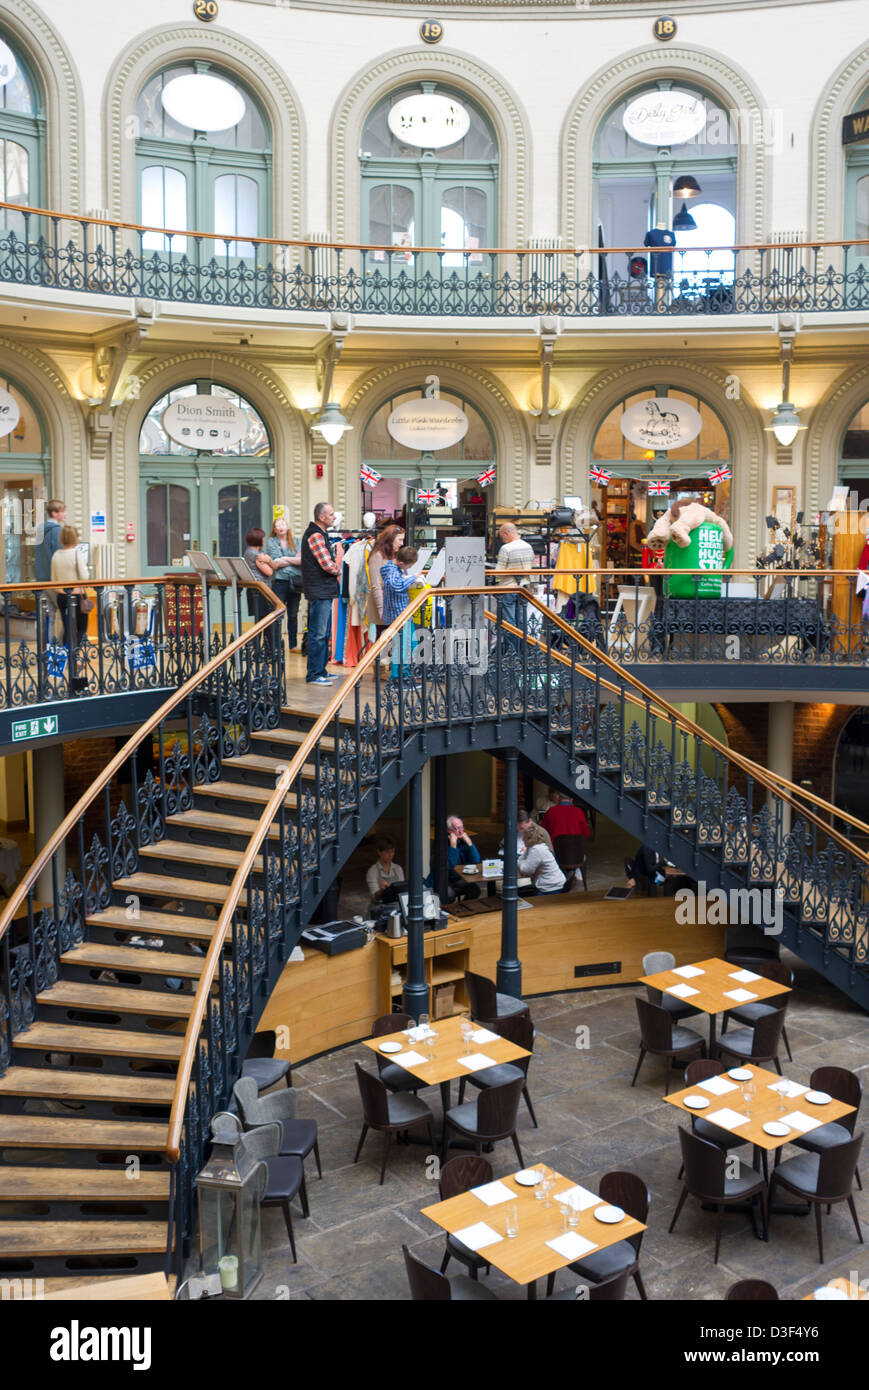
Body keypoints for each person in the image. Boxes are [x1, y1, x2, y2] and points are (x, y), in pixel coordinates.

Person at [300, 501, 343, 685]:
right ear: (321, 517)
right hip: (319, 590)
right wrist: (339, 569)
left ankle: (321, 670)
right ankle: (315, 674)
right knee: (318, 634)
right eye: (331, 514)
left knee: (323, 634)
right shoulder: (316, 535)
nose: (334, 517)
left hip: (321, 589)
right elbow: (326, 564)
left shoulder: (320, 534)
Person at [50, 524, 89, 692]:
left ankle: (67, 659)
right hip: (76, 595)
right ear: (75, 538)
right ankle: (75, 658)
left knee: (67, 627)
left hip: (61, 596)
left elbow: (53, 578)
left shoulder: (56, 555)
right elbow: (85, 576)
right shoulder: (76, 553)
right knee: (81, 628)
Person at [265, 515, 303, 649]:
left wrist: (284, 559)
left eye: (283, 524)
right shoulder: (271, 542)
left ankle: (293, 644)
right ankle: (275, 645)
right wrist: (292, 560)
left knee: (293, 614)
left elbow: (301, 560)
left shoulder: (297, 541)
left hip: (296, 582)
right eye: (278, 525)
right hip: (279, 582)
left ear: (287, 527)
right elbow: (275, 562)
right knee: (278, 614)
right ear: (274, 529)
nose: (281, 527)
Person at [494, 522, 535, 646]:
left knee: (509, 622)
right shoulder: (528, 547)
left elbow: (498, 572)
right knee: (522, 621)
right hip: (524, 587)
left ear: (507, 533)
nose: (503, 540)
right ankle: (522, 652)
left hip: (508, 588)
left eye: (502, 537)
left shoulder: (506, 548)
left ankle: (513, 653)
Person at [366, 523, 405, 634]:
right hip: (384, 605)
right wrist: (381, 608)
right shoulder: (377, 556)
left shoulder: (392, 555)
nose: (402, 544)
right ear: (391, 539)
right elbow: (376, 585)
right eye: (400, 540)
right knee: (384, 642)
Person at [519, 823, 566, 894]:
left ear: (528, 839)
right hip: (552, 884)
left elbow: (526, 870)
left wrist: (520, 861)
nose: (522, 839)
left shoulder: (536, 850)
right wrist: (522, 860)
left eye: (524, 837)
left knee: (519, 894)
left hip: (551, 888)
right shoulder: (534, 847)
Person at [243, 527, 276, 621]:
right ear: (257, 539)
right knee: (264, 620)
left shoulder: (250, 551)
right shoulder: (256, 555)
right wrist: (269, 560)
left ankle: (261, 637)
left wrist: (268, 560)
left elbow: (274, 566)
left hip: (256, 589)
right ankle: (260, 637)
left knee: (260, 619)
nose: (264, 540)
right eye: (263, 537)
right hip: (261, 590)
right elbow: (269, 571)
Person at [366, 836, 405, 906]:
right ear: (379, 852)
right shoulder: (372, 871)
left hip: (396, 907)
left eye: (392, 852)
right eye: (387, 852)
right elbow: (375, 897)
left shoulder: (398, 869)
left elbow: (402, 892)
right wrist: (383, 890)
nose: (390, 855)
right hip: (379, 908)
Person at [34, 498, 65, 584]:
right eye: (62, 512)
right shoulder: (57, 530)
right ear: (54, 513)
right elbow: (58, 553)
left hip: (40, 574)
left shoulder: (40, 528)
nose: (65, 514)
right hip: (53, 575)